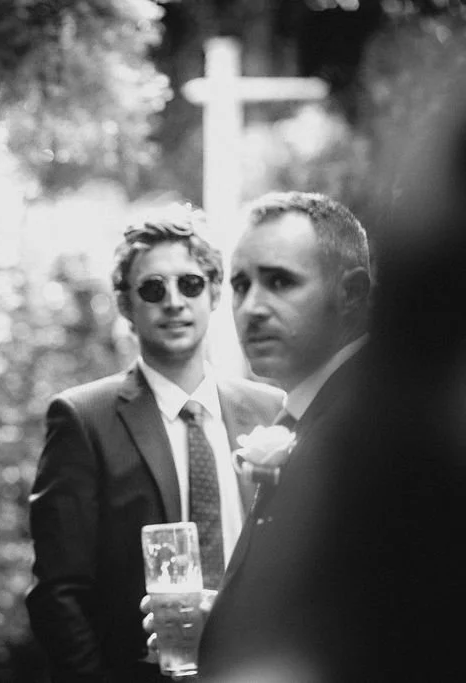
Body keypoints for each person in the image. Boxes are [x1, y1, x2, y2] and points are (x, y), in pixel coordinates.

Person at [27, 204, 283, 683]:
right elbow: (58, 592)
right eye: (152, 288)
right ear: (126, 305)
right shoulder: (82, 419)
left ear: (213, 293)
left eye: (189, 284)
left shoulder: (271, 410)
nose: (173, 301)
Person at [185, 191, 373, 682]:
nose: (251, 308)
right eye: (241, 286)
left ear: (352, 293)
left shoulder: (367, 434)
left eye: (280, 282)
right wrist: (227, 620)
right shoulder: (308, 418)